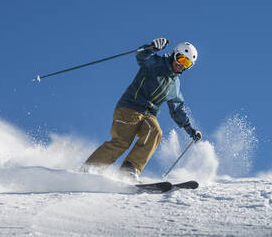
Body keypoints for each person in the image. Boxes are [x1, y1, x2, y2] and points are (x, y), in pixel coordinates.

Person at [82, 38, 202, 182]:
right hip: (129, 107)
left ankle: (129, 169)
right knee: (122, 142)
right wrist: (153, 48)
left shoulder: (175, 85)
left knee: (155, 132)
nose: (181, 65)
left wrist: (190, 129)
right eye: (181, 59)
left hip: (148, 114)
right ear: (174, 54)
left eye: (186, 63)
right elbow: (142, 57)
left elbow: (177, 109)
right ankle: (89, 169)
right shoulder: (156, 63)